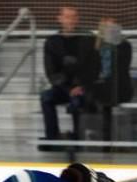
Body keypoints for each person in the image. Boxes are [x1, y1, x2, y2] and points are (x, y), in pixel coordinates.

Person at [39, 5, 100, 145]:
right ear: (60, 19)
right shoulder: (52, 42)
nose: (70, 20)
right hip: (63, 87)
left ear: (77, 19)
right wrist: (68, 88)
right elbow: (51, 72)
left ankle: (78, 139)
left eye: (73, 17)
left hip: (85, 87)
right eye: (67, 17)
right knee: (46, 97)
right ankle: (52, 138)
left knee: (78, 100)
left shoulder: (88, 38)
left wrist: (82, 86)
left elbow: (95, 67)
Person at [89, 17, 133, 142]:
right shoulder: (96, 48)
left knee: (105, 96)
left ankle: (106, 138)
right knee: (91, 94)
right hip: (102, 87)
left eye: (114, 28)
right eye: (108, 28)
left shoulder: (125, 46)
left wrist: (113, 44)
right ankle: (101, 136)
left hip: (119, 86)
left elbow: (122, 68)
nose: (111, 31)